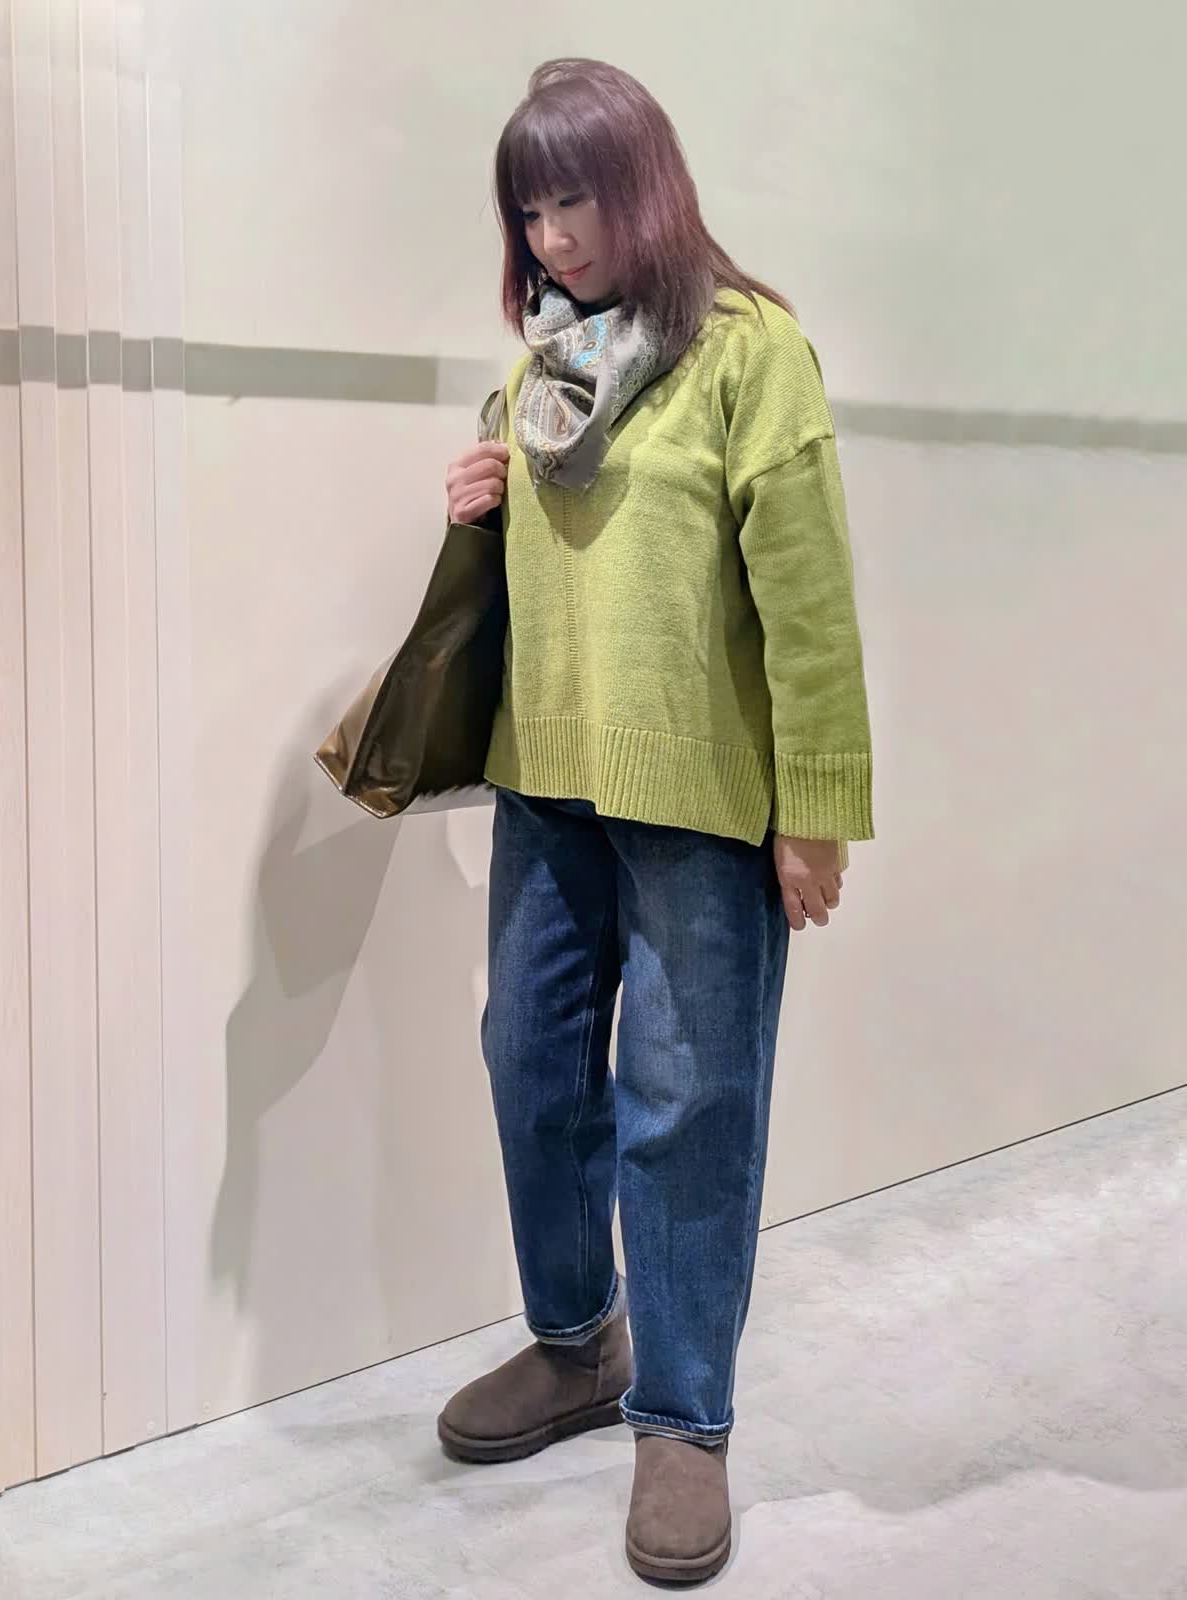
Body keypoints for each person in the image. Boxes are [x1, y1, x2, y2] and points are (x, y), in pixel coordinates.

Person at [436, 58, 874, 1586]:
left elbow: (808, 600)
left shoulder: (751, 350)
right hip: (545, 774)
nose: (553, 236)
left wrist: (814, 810)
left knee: (686, 1104)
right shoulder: (537, 370)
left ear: (648, 186)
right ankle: (579, 1344)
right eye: (528, 210)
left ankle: (684, 1416)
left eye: (575, 199)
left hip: (701, 798)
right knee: (530, 1061)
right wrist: (474, 501)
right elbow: (543, 570)